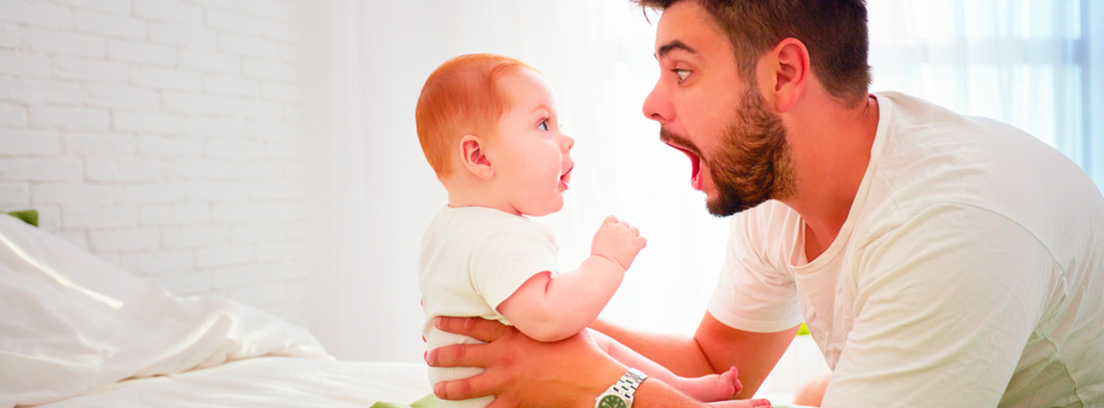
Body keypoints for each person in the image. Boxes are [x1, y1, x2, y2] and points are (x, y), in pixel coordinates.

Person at [425, 1, 1104, 407]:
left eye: (682, 71)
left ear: (783, 75)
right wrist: (526, 323)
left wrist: (603, 388)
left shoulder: (954, 226)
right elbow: (711, 364)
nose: (651, 103)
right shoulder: (782, 189)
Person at [414, 53, 751, 408]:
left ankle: (680, 390)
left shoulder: (448, 229)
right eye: (543, 124)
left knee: (589, 342)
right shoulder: (497, 236)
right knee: (579, 343)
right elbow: (550, 317)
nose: (567, 140)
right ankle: (682, 395)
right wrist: (606, 262)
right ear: (480, 157)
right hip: (506, 398)